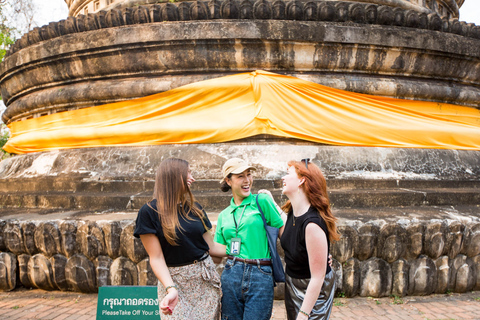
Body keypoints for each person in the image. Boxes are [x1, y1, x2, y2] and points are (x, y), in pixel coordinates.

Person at [134, 158, 224, 320]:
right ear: (174, 176)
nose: (192, 178)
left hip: (204, 282)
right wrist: (171, 289)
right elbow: (156, 257)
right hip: (174, 283)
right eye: (188, 172)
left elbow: (211, 247)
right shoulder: (149, 212)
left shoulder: (195, 209)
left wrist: (242, 250)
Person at [214, 158, 285, 320]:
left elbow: (285, 235)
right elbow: (217, 255)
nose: (247, 180)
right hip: (231, 273)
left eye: (249, 174)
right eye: (240, 176)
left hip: (261, 274)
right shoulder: (224, 215)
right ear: (228, 181)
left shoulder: (262, 201)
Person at [280, 159, 340, 320]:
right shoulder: (293, 212)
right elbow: (291, 237)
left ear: (301, 180)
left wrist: (304, 314)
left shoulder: (312, 224)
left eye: (288, 174)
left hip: (313, 289)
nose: (283, 178)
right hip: (293, 285)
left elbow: (318, 277)